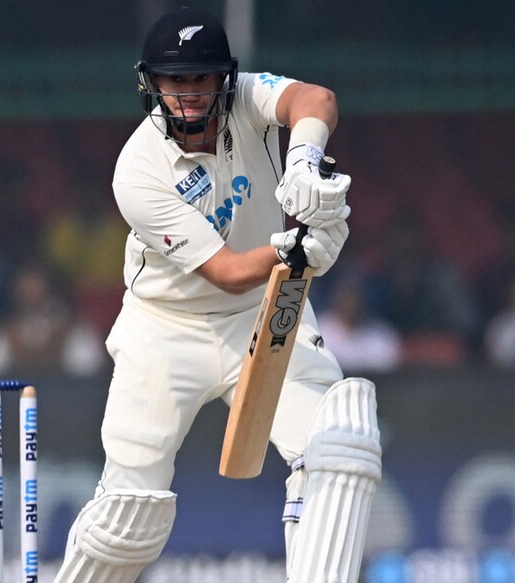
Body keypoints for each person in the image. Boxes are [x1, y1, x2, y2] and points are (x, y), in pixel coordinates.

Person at [53, 9, 381, 582]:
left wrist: (304, 161)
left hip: (261, 313)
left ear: (224, 78)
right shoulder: (138, 171)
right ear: (151, 83)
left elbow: (317, 99)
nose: (188, 92)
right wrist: (295, 249)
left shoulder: (248, 99)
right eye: (173, 80)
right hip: (164, 329)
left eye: (201, 78)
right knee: (129, 516)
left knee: (339, 444)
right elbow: (226, 271)